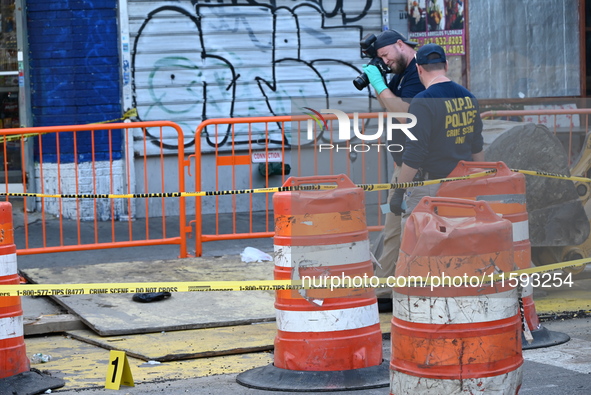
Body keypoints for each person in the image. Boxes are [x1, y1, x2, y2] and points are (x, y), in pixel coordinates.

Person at [361, 30, 425, 312]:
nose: (386, 61)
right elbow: (389, 106)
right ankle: (384, 290)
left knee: (406, 229)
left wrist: (380, 83)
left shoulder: (417, 73)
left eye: (386, 55)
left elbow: (405, 113)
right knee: (392, 230)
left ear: (400, 45)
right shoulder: (400, 73)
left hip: (416, 167)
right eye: (380, 59)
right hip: (402, 164)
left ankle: (407, 289)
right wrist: (381, 83)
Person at [389, 43, 484, 227]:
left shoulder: (423, 102)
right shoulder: (469, 98)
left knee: (417, 246)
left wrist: (399, 192)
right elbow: (476, 146)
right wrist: (477, 181)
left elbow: (415, 153)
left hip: (430, 189)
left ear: (418, 69)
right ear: (446, 65)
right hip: (462, 186)